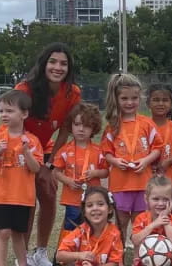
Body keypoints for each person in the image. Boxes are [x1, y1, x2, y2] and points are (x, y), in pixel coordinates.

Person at [11, 42, 81, 266]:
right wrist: (32, 161)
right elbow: (13, 126)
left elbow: (65, 129)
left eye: (63, 63)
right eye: (53, 61)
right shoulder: (25, 89)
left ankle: (40, 252)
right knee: (27, 201)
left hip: (47, 148)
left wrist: (50, 165)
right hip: (21, 148)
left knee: (49, 193)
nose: (58, 67)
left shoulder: (72, 92)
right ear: (43, 64)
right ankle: (22, 257)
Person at [101, 73, 164, 244]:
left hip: (143, 183)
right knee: (120, 223)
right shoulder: (112, 126)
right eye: (124, 98)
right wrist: (115, 161)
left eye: (134, 98)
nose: (130, 102)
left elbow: (158, 148)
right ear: (116, 99)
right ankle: (118, 256)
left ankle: (139, 256)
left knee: (141, 223)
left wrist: (146, 161)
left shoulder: (146, 123)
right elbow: (106, 153)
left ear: (140, 98)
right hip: (120, 184)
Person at [0, 90, 44, 266]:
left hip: (23, 197)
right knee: (2, 232)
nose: (4, 115)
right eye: (1, 111)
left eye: (9, 111)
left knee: (18, 233)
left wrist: (26, 153)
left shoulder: (31, 141)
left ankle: (22, 263)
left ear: (24, 114)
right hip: (1, 195)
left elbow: (36, 168)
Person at [53, 103, 108, 244]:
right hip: (72, 199)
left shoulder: (98, 150)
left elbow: (106, 171)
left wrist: (95, 173)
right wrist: (68, 181)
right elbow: (56, 171)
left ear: (94, 128)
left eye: (86, 125)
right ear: (71, 125)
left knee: (92, 225)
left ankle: (91, 252)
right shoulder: (65, 150)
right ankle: (65, 255)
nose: (81, 129)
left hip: (92, 200)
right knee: (70, 226)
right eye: (77, 124)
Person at [56, 186, 124, 266]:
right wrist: (80, 255)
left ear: (110, 209)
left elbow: (114, 263)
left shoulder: (114, 234)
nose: (95, 208)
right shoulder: (81, 231)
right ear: (84, 211)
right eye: (89, 205)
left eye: (100, 204)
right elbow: (59, 255)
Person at [146, 84, 172, 209]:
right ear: (148, 103)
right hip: (148, 178)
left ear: (171, 104)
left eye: (165, 100)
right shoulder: (144, 125)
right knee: (149, 213)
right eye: (156, 100)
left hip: (171, 178)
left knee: (169, 212)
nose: (160, 103)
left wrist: (168, 161)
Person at [131, 176, 172, 265]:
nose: (161, 203)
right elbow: (135, 240)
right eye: (156, 199)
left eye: (166, 199)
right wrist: (153, 224)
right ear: (146, 199)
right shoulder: (141, 218)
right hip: (144, 263)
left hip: (167, 263)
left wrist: (165, 220)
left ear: (171, 201)